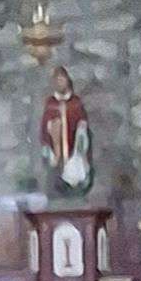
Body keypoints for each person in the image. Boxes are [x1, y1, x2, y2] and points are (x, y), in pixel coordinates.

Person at [39, 64, 94, 194]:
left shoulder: (75, 102)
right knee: (55, 173)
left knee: (75, 169)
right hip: (56, 148)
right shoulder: (51, 103)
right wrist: (52, 130)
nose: (60, 83)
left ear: (67, 81)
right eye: (57, 80)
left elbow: (82, 121)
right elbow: (45, 125)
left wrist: (81, 130)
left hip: (74, 147)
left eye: (62, 79)